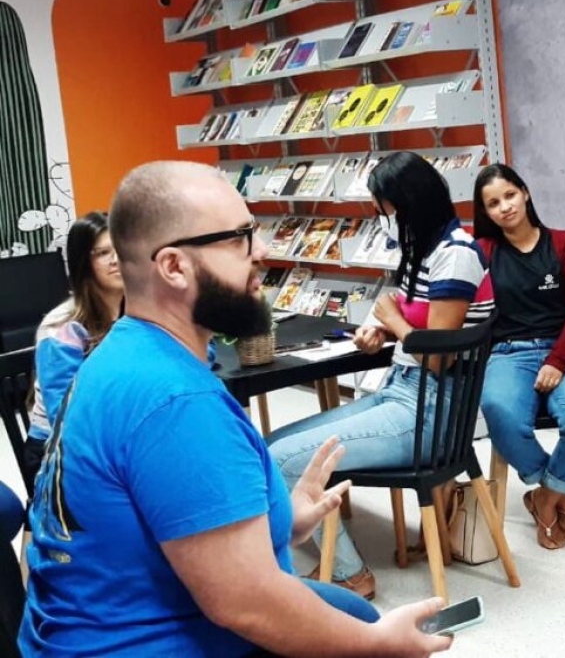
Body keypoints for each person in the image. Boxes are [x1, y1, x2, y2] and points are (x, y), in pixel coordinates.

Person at [21, 161, 452, 657]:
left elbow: (172, 517)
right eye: (240, 237)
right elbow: (246, 604)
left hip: (88, 632)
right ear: (174, 267)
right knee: (365, 628)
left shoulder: (122, 353)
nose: (263, 252)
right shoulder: (175, 401)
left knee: (349, 609)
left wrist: (282, 520)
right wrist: (376, 645)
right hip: (148, 642)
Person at [267, 153, 494, 599]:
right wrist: (384, 327)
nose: (381, 219)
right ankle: (326, 560)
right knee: (272, 446)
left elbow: (437, 357)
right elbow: (423, 325)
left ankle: (349, 574)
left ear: (409, 204)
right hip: (402, 393)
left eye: (383, 209)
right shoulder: (424, 251)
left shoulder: (456, 256)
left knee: (282, 461)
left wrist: (395, 318)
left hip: (430, 411)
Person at [471, 164, 565, 550]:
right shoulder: (482, 251)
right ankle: (555, 489)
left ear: (526, 193)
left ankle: (545, 498)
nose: (505, 207)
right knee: (499, 411)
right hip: (508, 353)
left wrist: (558, 361)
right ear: (486, 212)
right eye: (493, 203)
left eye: (510, 196)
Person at [24, 212, 124, 478]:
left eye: (120, 249)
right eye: (102, 253)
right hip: (58, 449)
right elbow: (66, 415)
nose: (116, 260)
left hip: (115, 437)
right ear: (83, 262)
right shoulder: (63, 327)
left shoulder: (138, 311)